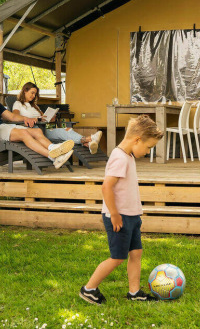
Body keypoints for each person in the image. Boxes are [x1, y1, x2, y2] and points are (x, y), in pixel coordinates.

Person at [79, 115, 164, 305]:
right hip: (120, 217)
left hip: (131, 216)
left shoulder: (128, 156)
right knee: (117, 258)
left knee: (136, 253)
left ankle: (134, 292)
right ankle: (89, 289)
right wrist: (115, 214)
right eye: (149, 147)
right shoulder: (119, 158)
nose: (149, 151)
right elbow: (106, 187)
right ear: (137, 140)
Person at [0, 75, 74, 169]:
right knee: (24, 134)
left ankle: (53, 149)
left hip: (3, 128)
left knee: (37, 131)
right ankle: (53, 157)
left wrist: (25, 119)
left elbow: (11, 116)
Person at [12, 82, 102, 154]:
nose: (34, 96)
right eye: (32, 93)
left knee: (66, 130)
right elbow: (15, 116)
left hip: (43, 130)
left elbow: (43, 118)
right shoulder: (18, 104)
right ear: (25, 91)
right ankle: (89, 140)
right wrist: (30, 119)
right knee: (63, 132)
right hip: (32, 132)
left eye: (35, 94)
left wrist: (50, 119)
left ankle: (88, 143)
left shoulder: (35, 106)